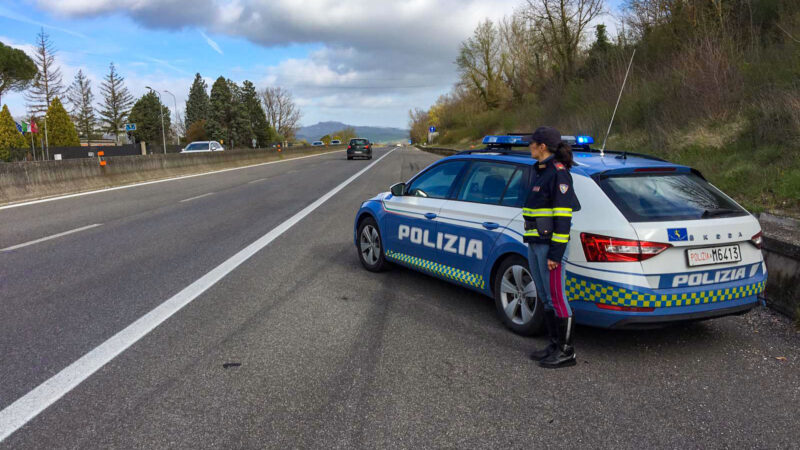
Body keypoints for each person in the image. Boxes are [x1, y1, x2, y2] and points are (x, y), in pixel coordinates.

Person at [521, 126, 581, 369]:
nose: (529, 146)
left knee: (557, 298)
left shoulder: (558, 174)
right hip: (535, 243)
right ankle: (554, 345)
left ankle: (567, 352)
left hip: (550, 247)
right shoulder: (541, 171)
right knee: (546, 298)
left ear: (542, 146)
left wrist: (556, 253)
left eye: (531, 143)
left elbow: (563, 218)